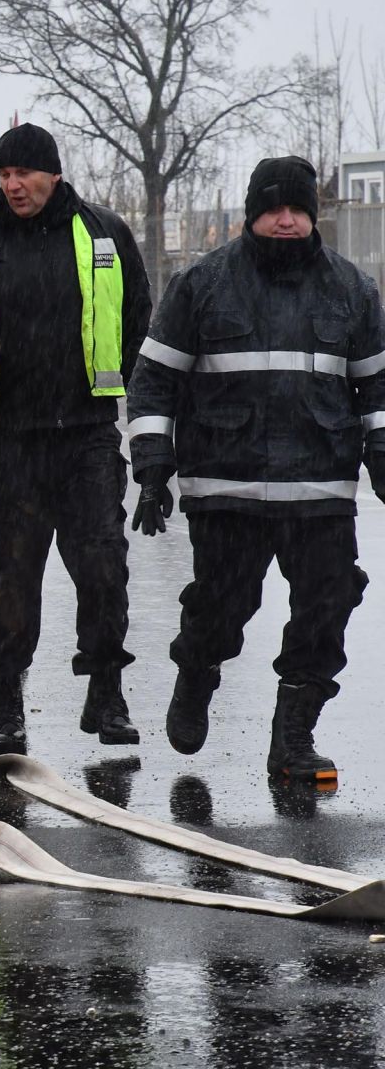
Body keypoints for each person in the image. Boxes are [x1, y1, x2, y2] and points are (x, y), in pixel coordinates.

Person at [128, 156, 385, 785]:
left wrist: (382, 455)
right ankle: (196, 673)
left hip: (321, 490)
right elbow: (154, 382)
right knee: (221, 607)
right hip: (227, 489)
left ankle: (293, 738)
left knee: (325, 611)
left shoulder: (352, 290)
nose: (287, 220)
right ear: (252, 214)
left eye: (297, 209)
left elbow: (377, 389)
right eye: (274, 209)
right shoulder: (204, 284)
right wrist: (153, 468)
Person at [0, 124, 151, 754]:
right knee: (9, 579)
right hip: (6, 443)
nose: (12, 185)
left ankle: (106, 693)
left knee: (103, 568)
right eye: (3, 174)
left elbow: (137, 317)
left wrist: (112, 384)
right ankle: (5, 708)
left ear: (52, 173)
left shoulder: (104, 234)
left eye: (23, 173)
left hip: (85, 438)